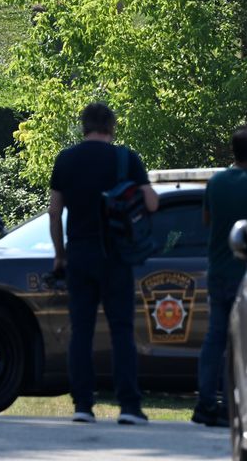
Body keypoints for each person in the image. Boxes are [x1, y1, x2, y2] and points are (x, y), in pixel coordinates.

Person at [48, 102, 159, 425]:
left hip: (80, 254)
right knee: (121, 330)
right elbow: (151, 202)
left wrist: (60, 254)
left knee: (80, 331)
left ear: (83, 126)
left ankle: (83, 405)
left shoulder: (66, 160)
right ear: (111, 126)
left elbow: (55, 212)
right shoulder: (126, 159)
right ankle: (128, 406)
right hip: (117, 257)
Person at [192, 124, 247, 427]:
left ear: (233, 151)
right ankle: (231, 404)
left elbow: (206, 220)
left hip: (218, 270)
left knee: (214, 337)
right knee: (243, 342)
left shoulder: (216, 183)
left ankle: (204, 402)